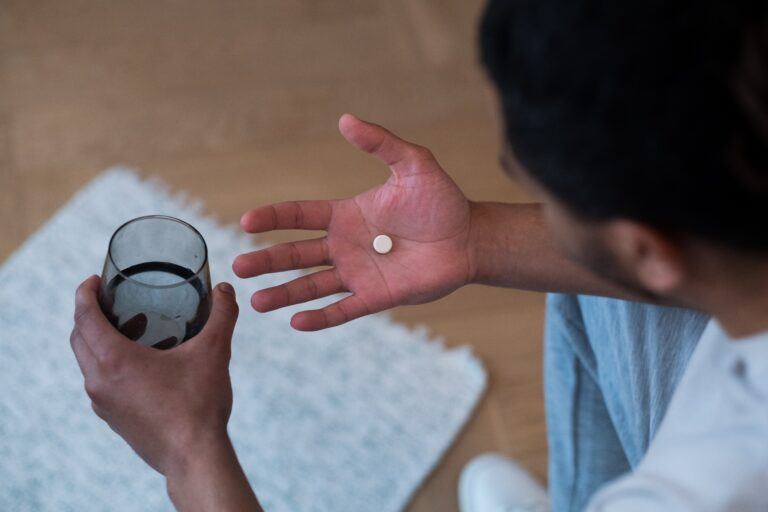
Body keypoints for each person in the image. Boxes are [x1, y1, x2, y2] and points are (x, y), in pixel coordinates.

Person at [69, 0, 768, 510]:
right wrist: (475, 238)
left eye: (543, 193)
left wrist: (187, 449)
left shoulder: (710, 487)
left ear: (649, 247)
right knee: (605, 297)